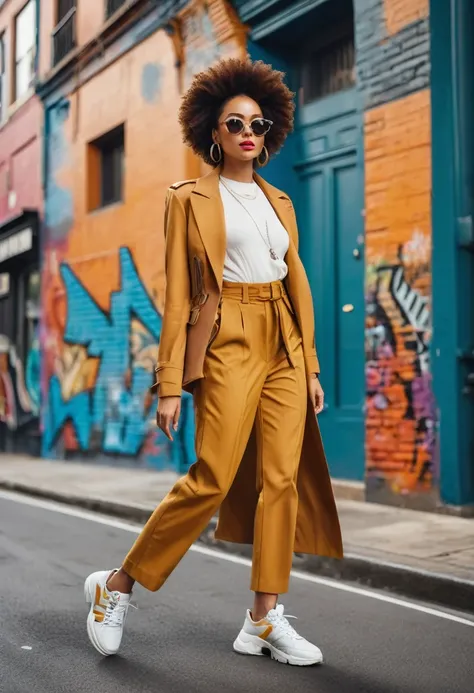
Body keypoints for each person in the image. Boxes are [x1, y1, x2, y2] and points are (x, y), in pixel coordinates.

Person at [84, 57, 343, 667]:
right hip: (225, 334)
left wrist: (309, 368)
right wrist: (169, 384)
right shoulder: (190, 199)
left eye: (258, 123)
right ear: (213, 131)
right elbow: (178, 296)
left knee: (281, 480)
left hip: (281, 337)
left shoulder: (280, 201)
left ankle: (263, 618)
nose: (248, 132)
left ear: (270, 130)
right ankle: (116, 586)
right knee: (214, 475)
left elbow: (292, 280)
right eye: (235, 123)